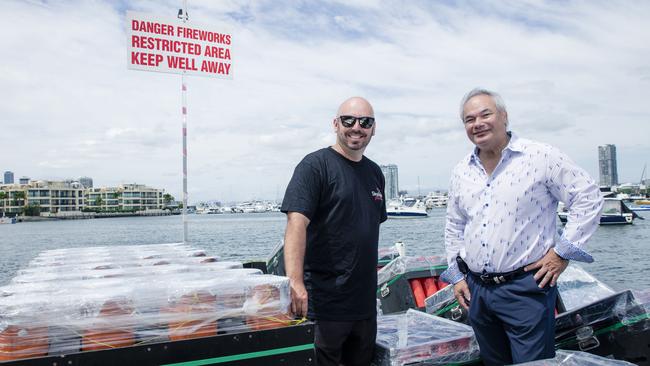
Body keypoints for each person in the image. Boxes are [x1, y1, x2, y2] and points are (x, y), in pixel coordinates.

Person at [441, 88, 603, 365]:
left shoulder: (540, 156)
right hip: (477, 290)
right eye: (469, 119)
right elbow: (455, 225)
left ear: (504, 117)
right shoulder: (461, 171)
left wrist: (562, 252)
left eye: (485, 114)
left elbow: (587, 198)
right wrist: (457, 276)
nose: (477, 123)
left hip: (525, 288)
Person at [281, 96, 387, 366]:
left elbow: (363, 232)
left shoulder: (375, 173)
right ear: (335, 124)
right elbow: (296, 224)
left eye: (365, 122)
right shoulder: (314, 166)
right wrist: (294, 282)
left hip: (364, 306)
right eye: (348, 120)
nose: (357, 127)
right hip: (325, 304)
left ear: (374, 128)